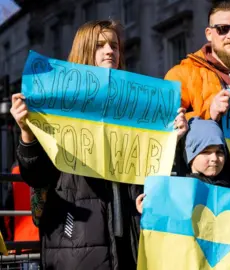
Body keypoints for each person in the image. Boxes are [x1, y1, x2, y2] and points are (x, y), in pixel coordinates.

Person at [10, 20, 188, 270]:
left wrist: (173, 139)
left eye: (114, 46)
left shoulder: (135, 104)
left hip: (129, 235)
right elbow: (36, 175)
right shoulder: (57, 100)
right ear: (84, 50)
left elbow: (149, 170)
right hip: (76, 238)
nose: (109, 51)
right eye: (100, 45)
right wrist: (27, 132)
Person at [165, 1, 230, 122]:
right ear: (209, 34)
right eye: (223, 29)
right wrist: (209, 113)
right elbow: (167, 123)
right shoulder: (182, 73)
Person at [137, 117, 230, 213]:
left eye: (219, 152)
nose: (214, 158)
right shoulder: (177, 188)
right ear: (191, 156)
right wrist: (150, 210)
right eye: (206, 152)